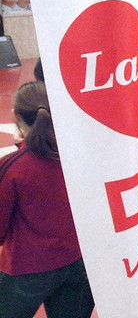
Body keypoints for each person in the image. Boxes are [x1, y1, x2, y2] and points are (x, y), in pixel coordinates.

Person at [0, 81, 95, 317]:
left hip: (27, 267)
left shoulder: (13, 167)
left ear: (16, 116)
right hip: (80, 262)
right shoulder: (83, 158)